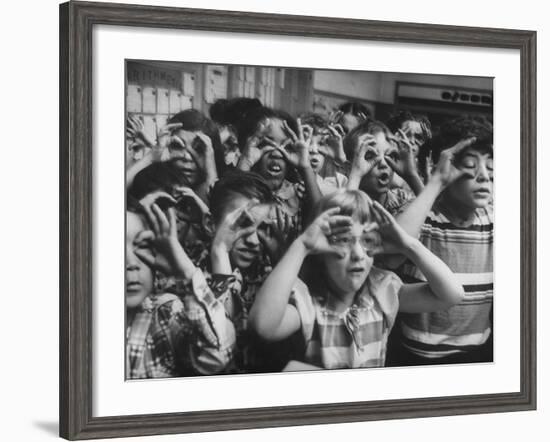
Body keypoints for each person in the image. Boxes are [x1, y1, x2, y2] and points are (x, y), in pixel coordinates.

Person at [249, 190, 464, 370]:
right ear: (320, 249)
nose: (359, 254)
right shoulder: (309, 300)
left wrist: (407, 245)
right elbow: (263, 326)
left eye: (368, 241)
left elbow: (452, 295)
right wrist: (302, 245)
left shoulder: (382, 291)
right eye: (343, 240)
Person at [389, 116, 494, 365]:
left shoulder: (494, 220)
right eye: (470, 166)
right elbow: (392, 254)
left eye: (491, 169)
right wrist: (435, 183)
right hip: (413, 356)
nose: (484, 177)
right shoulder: (422, 218)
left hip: (477, 355)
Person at [125, 199, 235, 378]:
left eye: (142, 245)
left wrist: (186, 272)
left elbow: (218, 354)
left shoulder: (163, 314)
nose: (130, 263)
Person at [345, 120, 423, 215]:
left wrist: (412, 176)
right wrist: (355, 177)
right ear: (349, 168)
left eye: (390, 155)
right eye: (370, 156)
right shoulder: (338, 198)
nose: (383, 163)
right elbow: (344, 223)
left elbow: (430, 219)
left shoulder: (403, 199)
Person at [298, 113, 349, 195]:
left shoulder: (337, 184)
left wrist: (341, 160)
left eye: (321, 143)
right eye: (307, 141)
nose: (314, 150)